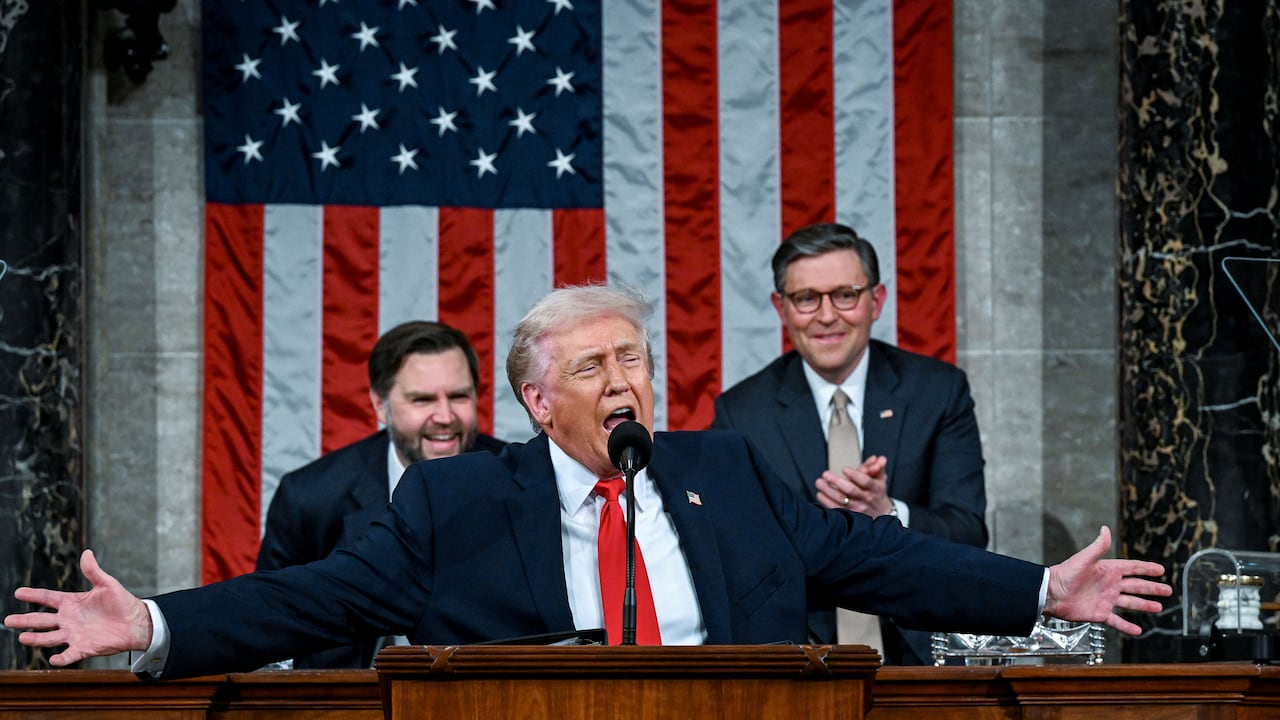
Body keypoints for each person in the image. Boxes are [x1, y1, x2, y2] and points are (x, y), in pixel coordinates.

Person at [6, 286, 1170, 679]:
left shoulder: (728, 469)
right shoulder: (458, 502)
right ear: (536, 402)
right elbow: (308, 599)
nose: (624, 380)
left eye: (635, 359)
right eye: (592, 365)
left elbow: (879, 560)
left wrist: (1035, 594)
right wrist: (154, 622)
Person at [712, 223, 987, 664]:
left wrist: (888, 514)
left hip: (921, 653)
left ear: (875, 301)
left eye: (845, 294)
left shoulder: (937, 392)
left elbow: (969, 533)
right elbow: (732, 555)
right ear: (780, 307)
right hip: (799, 656)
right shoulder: (741, 413)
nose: (826, 316)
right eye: (806, 298)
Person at [256, 320, 507, 669]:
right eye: (422, 399)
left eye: (459, 396)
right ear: (379, 404)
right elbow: (270, 620)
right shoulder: (310, 497)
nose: (445, 416)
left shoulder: (520, 479)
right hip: (348, 701)